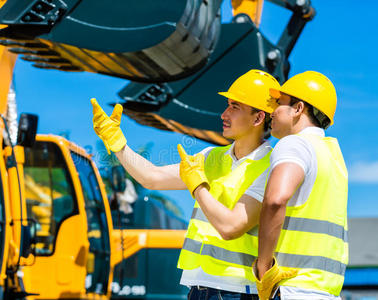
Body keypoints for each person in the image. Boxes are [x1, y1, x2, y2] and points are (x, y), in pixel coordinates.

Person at [91, 69, 280, 299]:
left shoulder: (270, 166)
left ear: (258, 118)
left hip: (237, 291)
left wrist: (197, 186)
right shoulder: (211, 157)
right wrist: (118, 143)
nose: (223, 114)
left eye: (234, 107)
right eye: (227, 105)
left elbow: (231, 228)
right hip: (198, 288)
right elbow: (152, 177)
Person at [252, 71, 348, 300]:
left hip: (291, 288)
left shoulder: (294, 144)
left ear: (298, 108)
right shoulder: (334, 156)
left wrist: (263, 267)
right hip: (325, 291)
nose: (271, 111)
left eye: (279, 103)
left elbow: (276, 199)